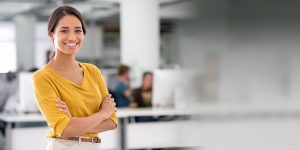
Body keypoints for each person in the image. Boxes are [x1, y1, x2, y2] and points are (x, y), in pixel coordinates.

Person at [32, 5, 117, 150]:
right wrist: (102, 113)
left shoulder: (93, 71)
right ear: (52, 35)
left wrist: (73, 123)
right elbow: (65, 131)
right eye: (64, 30)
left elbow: (112, 122)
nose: (72, 37)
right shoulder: (42, 77)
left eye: (78, 30)